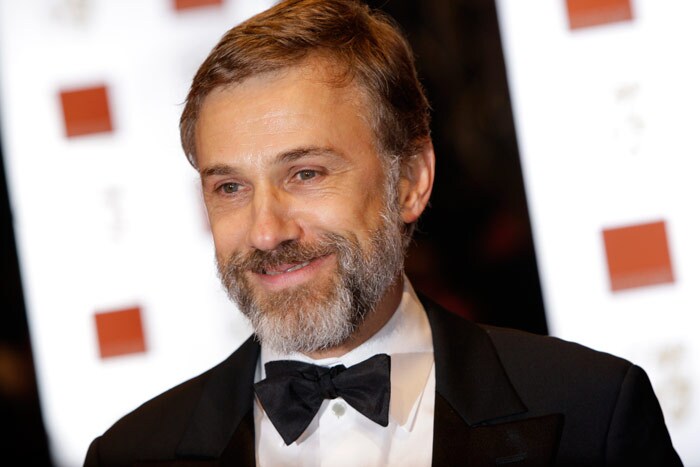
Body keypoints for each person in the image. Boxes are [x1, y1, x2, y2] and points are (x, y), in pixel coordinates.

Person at [84, 0, 682, 465]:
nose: (265, 232)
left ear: (411, 181)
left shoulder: (590, 411)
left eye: (306, 173)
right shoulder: (132, 453)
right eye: (230, 188)